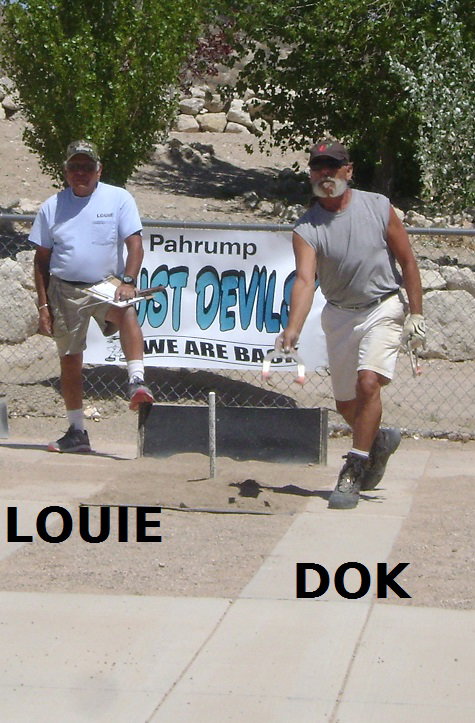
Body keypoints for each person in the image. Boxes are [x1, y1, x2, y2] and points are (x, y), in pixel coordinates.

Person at [281, 139, 425, 509]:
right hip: (340, 314)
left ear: (349, 170)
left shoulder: (377, 206)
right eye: (318, 167)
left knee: (368, 382)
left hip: (382, 307)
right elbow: (305, 281)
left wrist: (416, 313)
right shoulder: (307, 227)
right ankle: (378, 442)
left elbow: (408, 261)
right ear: (311, 174)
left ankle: (354, 470)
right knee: (347, 404)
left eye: (333, 166)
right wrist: (293, 327)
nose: (325, 174)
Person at [30, 139, 154, 453]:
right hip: (65, 290)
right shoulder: (52, 206)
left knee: (126, 309)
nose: (81, 173)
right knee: (70, 360)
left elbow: (135, 245)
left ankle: (136, 380)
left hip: (106, 283)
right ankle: (77, 432)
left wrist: (128, 281)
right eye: (75, 167)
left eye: (87, 167)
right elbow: (41, 260)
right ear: (65, 171)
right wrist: (43, 305)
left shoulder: (118, 198)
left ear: (99, 170)